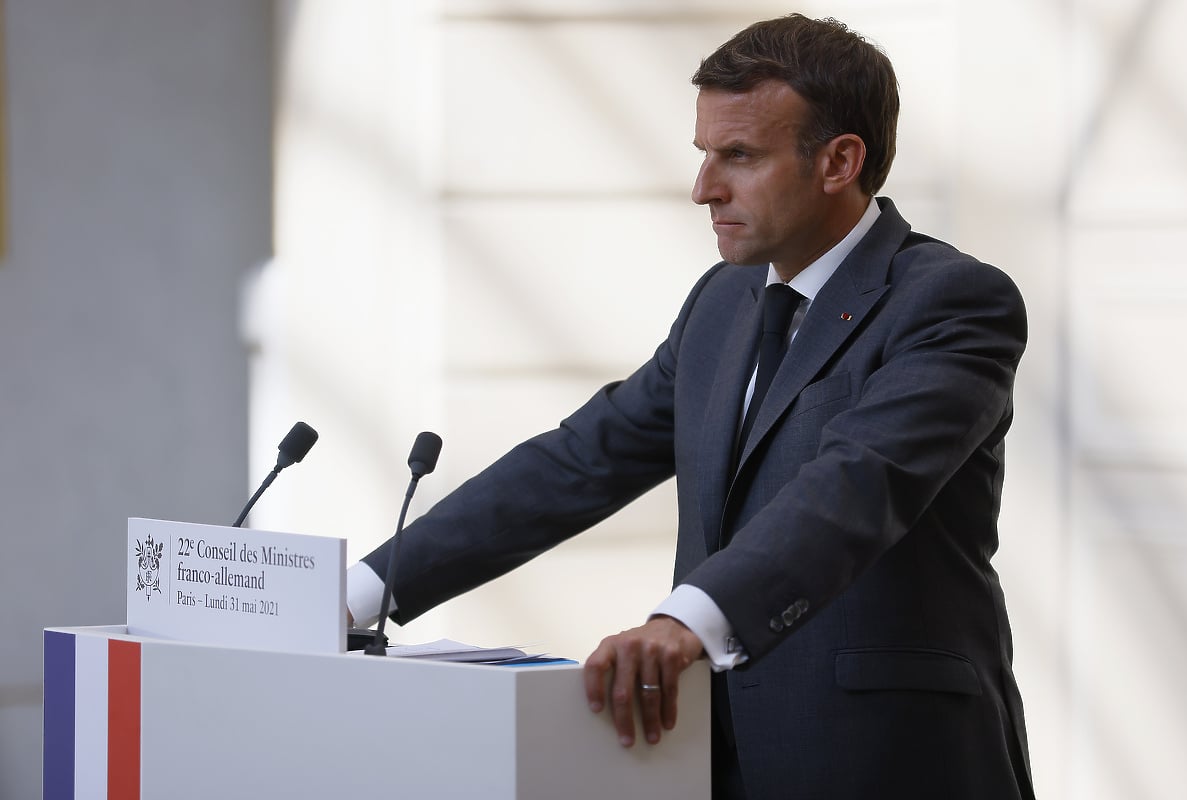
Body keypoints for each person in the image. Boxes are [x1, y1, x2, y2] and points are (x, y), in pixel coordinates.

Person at [347, 13, 1035, 799]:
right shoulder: (723, 301)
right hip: (705, 757)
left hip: (891, 760)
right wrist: (364, 591)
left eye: (739, 156)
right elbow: (583, 459)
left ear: (840, 161)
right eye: (705, 153)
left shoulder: (952, 302)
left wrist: (690, 619)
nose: (705, 187)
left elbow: (858, 484)